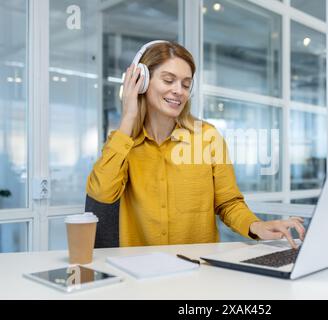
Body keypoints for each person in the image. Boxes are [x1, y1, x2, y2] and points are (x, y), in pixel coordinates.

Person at [86, 40, 305, 249]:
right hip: (140, 272)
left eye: (185, 84)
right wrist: (128, 117)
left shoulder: (207, 137)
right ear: (141, 82)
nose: (178, 90)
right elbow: (101, 193)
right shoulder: (124, 143)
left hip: (197, 269)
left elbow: (228, 203)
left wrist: (257, 226)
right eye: (168, 80)